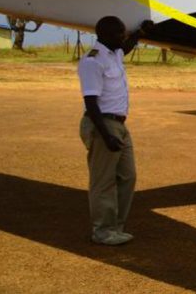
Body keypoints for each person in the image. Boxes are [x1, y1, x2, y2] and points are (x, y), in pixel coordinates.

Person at [78, 16, 153, 245]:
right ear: (106, 35)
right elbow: (91, 102)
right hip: (103, 123)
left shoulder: (115, 53)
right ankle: (102, 231)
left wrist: (140, 32)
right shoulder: (93, 61)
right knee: (103, 181)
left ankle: (116, 227)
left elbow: (127, 47)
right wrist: (105, 134)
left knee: (127, 176)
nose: (123, 37)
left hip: (119, 124)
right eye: (120, 33)